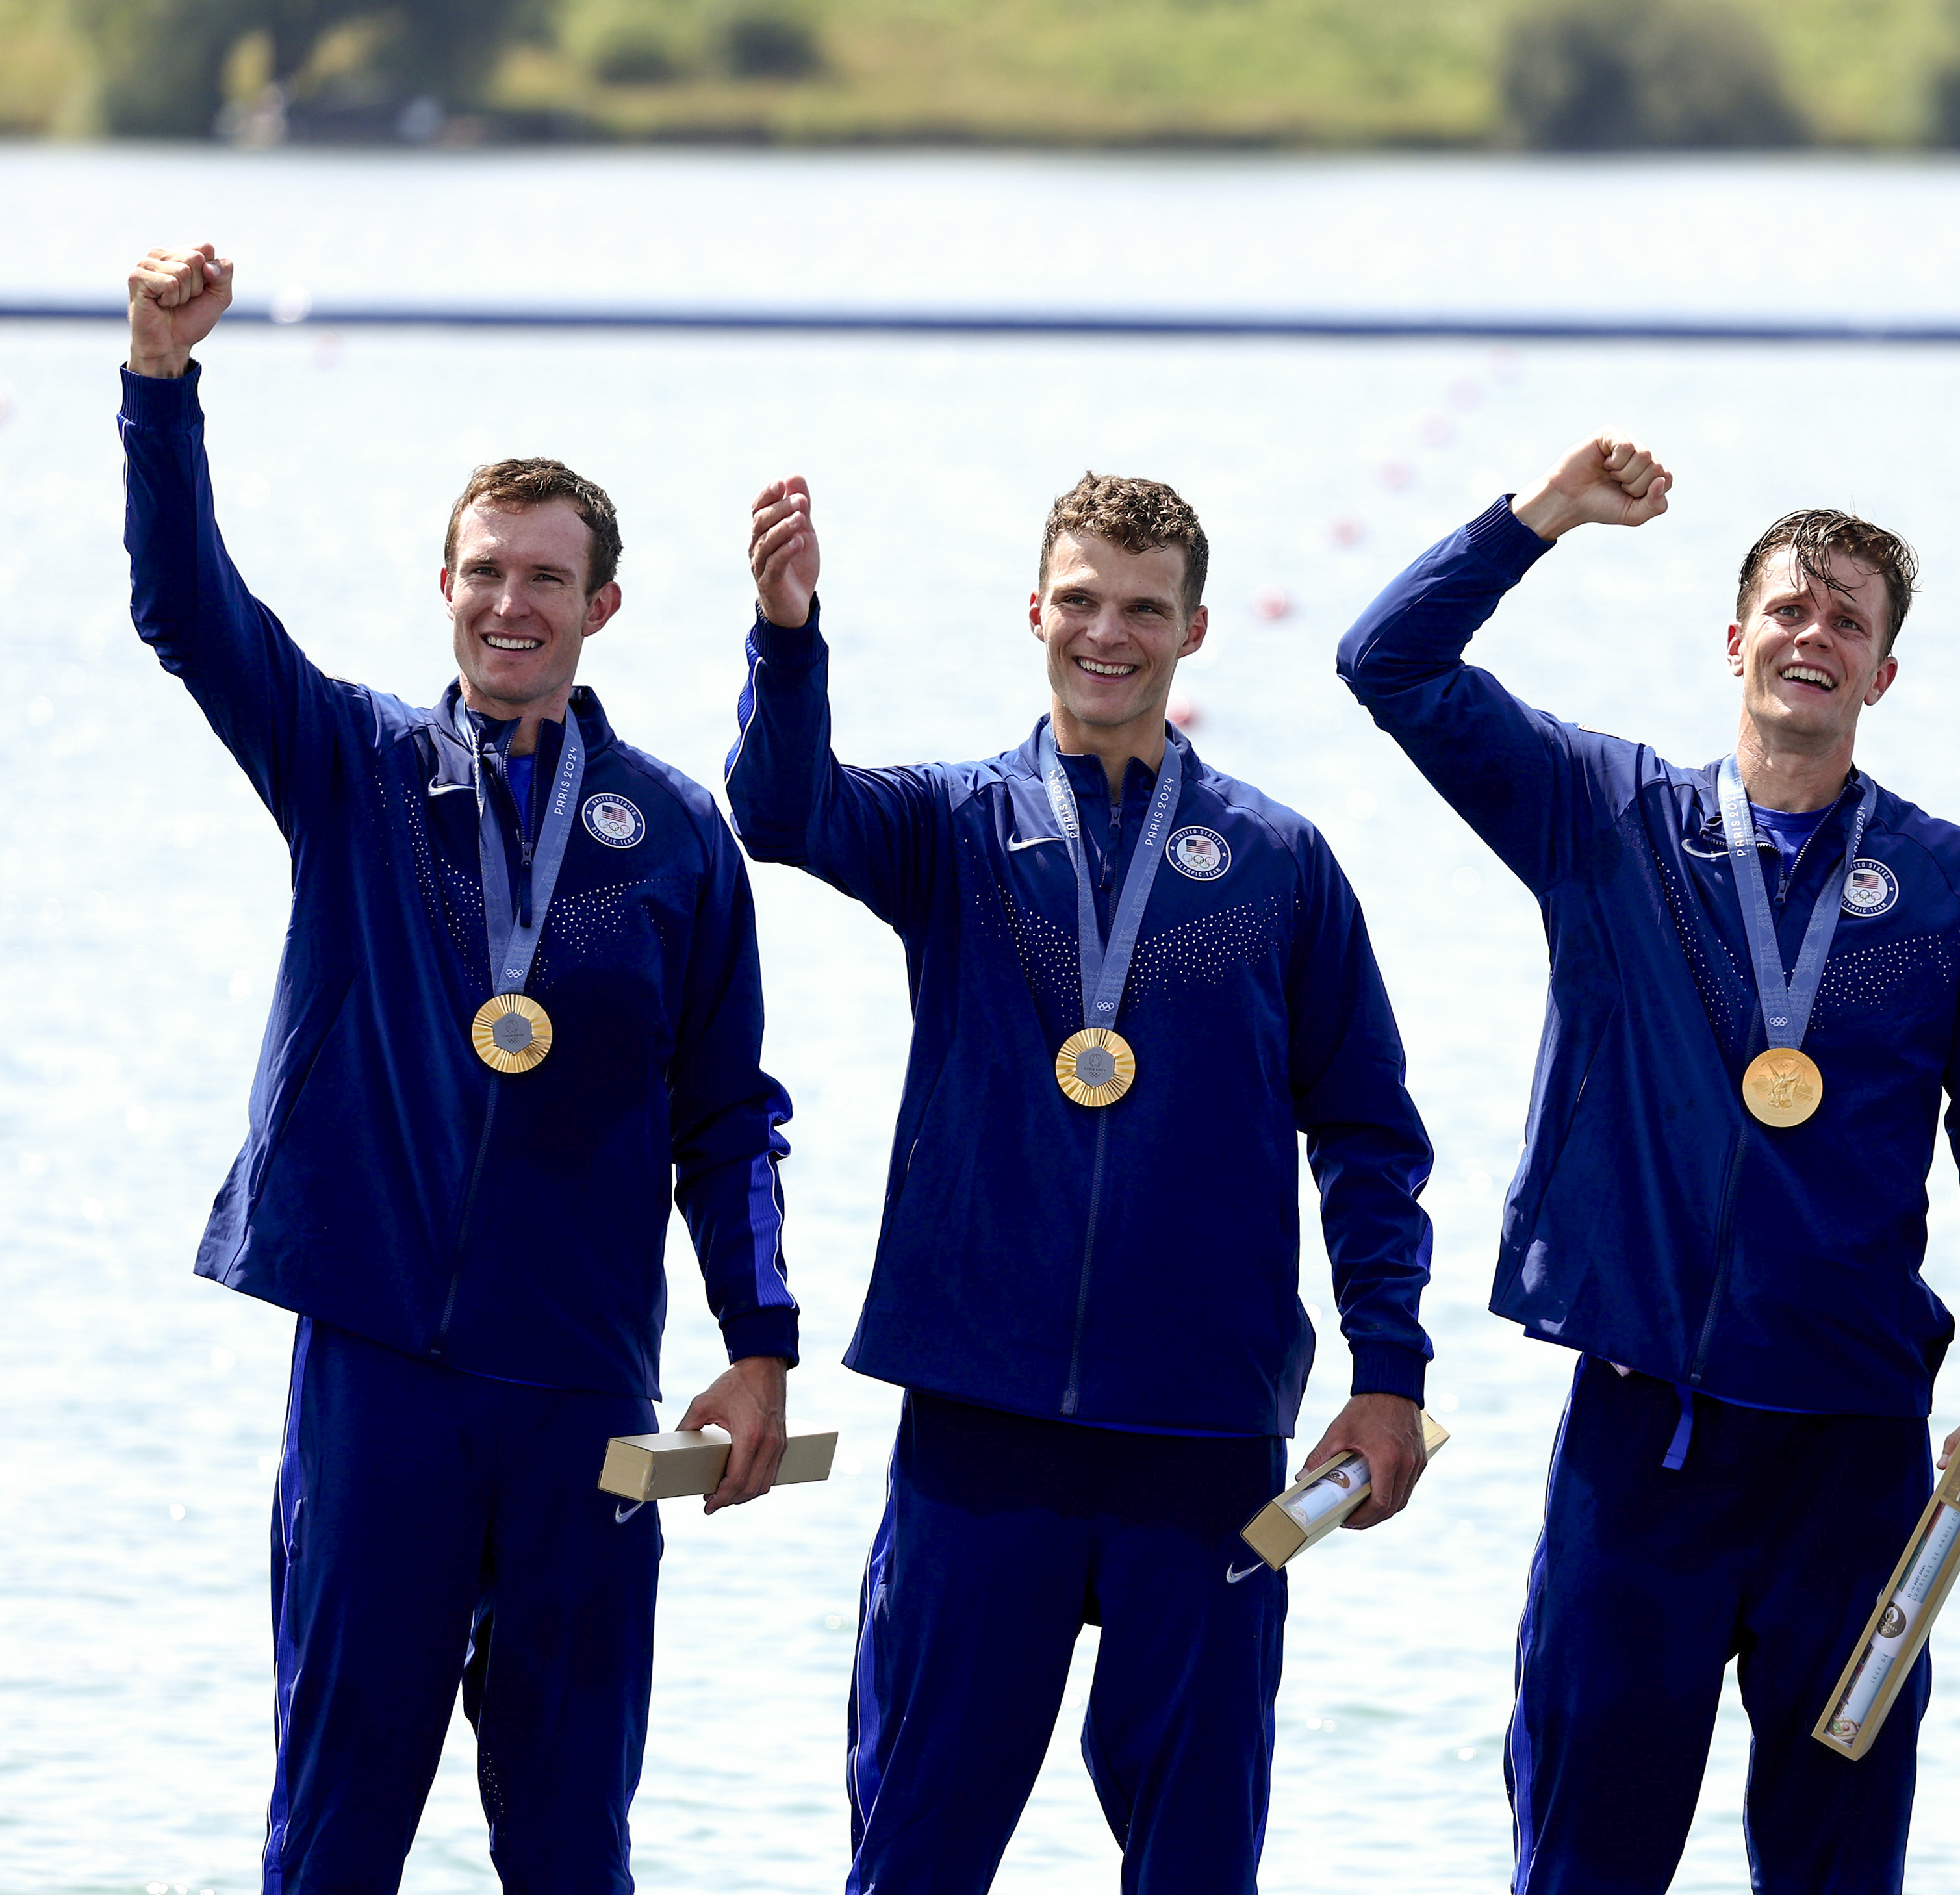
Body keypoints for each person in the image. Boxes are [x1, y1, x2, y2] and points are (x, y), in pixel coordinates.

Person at [117, 244, 800, 1893]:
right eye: (486, 571)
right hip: (383, 1380)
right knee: (337, 1827)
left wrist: (761, 1344)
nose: (513, 604)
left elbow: (731, 1118)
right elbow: (182, 606)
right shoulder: (353, 767)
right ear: (445, 587)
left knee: (571, 1840)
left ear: (603, 607)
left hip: (579, 1393)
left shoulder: (678, 843)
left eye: (547, 579)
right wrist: (159, 381)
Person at [1337, 437, 1960, 1892]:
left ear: (1881, 677)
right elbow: (1389, 662)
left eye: (1849, 622)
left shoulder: (1952, 886)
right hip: (1642, 1444)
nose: (1815, 635)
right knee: (1585, 1864)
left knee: (1834, 1866)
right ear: (1736, 639)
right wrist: (1540, 517)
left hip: (1858, 1457)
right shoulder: (1602, 817)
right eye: (1791, 609)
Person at [726, 468, 1436, 1893]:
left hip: (1205, 1434)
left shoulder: (1280, 864)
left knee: (1196, 1860)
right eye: (1082, 602)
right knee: (918, 1848)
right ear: (1035, 611)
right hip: (981, 1430)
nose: (1108, 633)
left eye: (1143, 610)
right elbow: (784, 810)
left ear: (1195, 631)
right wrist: (787, 637)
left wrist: (1391, 1367)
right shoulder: (953, 829)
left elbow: (1368, 1134)